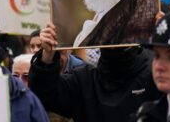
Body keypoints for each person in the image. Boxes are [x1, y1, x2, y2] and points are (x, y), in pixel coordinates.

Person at [29, 22, 162, 122]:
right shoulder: (84, 80)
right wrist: (47, 55)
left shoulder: (156, 75)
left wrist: (165, 43)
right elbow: (44, 95)